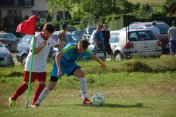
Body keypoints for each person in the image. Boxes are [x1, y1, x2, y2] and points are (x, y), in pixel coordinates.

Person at [32, 39, 107, 107]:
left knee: (82, 75)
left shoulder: (85, 51)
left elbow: (93, 56)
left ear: (85, 49)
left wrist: (101, 63)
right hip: (60, 63)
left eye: (83, 50)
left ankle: (85, 99)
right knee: (51, 85)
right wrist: (59, 69)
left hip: (70, 65)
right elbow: (58, 56)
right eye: (80, 49)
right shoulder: (70, 47)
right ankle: (37, 102)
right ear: (78, 44)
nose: (81, 51)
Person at [9, 23, 61, 107]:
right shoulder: (36, 38)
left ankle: (35, 103)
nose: (48, 35)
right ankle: (13, 98)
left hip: (41, 66)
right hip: (31, 65)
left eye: (50, 34)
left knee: (42, 84)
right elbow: (33, 52)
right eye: (47, 33)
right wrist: (42, 46)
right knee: (26, 84)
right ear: (43, 30)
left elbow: (57, 45)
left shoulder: (50, 38)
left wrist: (60, 44)